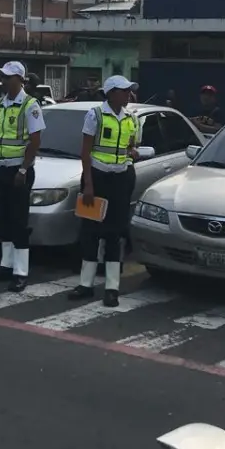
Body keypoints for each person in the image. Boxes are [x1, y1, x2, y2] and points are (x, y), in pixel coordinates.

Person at [70, 75, 142, 307]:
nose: (128, 95)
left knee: (115, 233)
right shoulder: (95, 115)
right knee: (90, 232)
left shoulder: (131, 118)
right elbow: (85, 152)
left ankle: (112, 288)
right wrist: (89, 184)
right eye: (123, 91)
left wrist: (132, 154)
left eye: (129, 91)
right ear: (111, 93)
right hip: (97, 179)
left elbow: (132, 146)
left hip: (120, 179)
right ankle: (86, 284)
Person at [0, 61, 44, 292]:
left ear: (20, 79)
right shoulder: (0, 103)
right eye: (2, 77)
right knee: (2, 219)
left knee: (18, 222)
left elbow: (35, 141)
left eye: (7, 77)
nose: (3, 81)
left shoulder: (30, 105)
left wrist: (23, 170)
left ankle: (21, 272)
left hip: (18, 171)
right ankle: (5, 265)